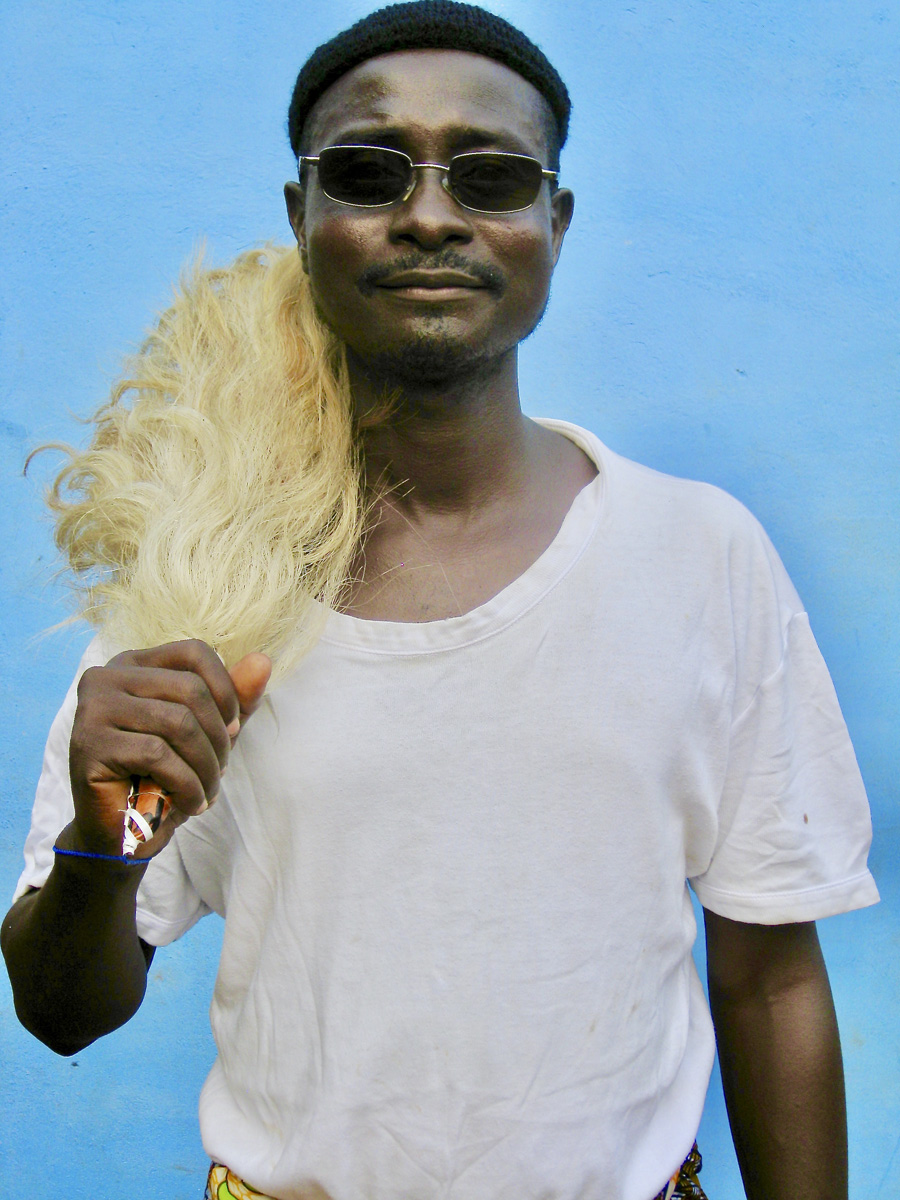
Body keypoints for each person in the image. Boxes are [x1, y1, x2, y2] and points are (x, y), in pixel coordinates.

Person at [1, 3, 879, 1199]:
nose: (428, 214)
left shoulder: (699, 553)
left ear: (555, 223)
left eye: (492, 175)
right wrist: (101, 844)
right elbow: (62, 1013)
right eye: (368, 172)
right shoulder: (205, 585)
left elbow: (770, 980)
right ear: (301, 218)